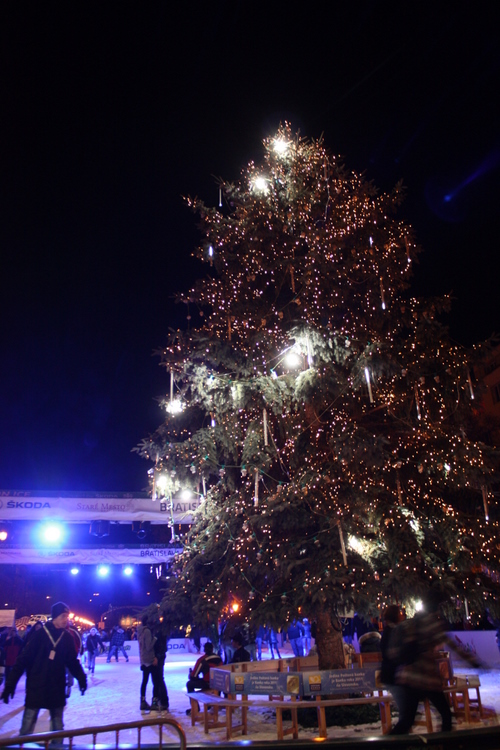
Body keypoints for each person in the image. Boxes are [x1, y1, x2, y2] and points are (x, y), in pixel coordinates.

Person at [0, 601, 87, 736]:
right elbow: (22, 660)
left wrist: (82, 678)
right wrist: (10, 685)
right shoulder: (40, 635)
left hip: (56, 688)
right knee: (27, 727)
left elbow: (72, 662)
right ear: (56, 616)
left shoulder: (67, 637)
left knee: (58, 728)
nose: (66, 620)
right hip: (37, 687)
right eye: (63, 616)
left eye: (67, 616)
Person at [388, 592, 455, 734]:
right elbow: (449, 643)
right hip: (426, 678)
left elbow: (394, 648)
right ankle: (445, 743)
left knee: (407, 720)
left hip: (409, 676)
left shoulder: (412, 622)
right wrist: (473, 661)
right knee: (445, 714)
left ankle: (389, 742)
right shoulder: (432, 622)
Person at [185, 641, 223, 715]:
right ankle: (211, 704)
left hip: (208, 683)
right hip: (219, 683)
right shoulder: (219, 658)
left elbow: (194, 676)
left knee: (189, 684)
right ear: (212, 649)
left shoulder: (202, 660)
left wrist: (190, 675)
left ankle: (195, 707)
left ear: (204, 650)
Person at [137, 615, 158, 712]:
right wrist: (155, 639)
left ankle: (142, 701)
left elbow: (140, 647)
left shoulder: (140, 632)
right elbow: (149, 646)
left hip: (144, 659)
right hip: (150, 659)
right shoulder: (147, 631)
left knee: (144, 681)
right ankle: (154, 702)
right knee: (155, 681)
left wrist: (141, 661)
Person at [151, 625, 169, 711]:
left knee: (159, 679)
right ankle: (159, 699)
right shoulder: (159, 632)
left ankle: (164, 701)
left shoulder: (159, 634)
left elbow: (162, 648)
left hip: (158, 658)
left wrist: (157, 657)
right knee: (157, 680)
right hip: (158, 658)